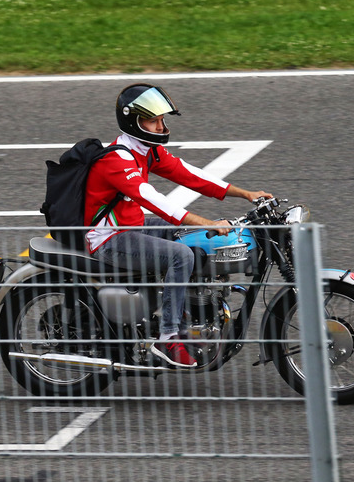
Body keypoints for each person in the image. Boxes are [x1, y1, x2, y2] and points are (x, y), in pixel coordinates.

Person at [84, 83, 271, 368]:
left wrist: (244, 193)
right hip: (110, 239)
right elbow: (156, 201)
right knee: (180, 254)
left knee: (190, 237)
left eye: (162, 120)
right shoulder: (117, 159)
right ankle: (168, 337)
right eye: (153, 121)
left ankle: (186, 313)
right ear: (133, 122)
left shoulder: (146, 150)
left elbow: (190, 175)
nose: (161, 126)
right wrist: (208, 222)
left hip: (132, 228)